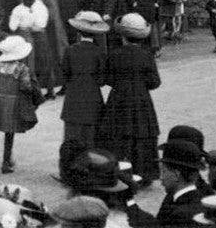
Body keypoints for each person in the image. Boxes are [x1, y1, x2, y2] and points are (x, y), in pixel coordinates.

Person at [99, 12, 162, 185]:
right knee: (142, 133)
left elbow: (107, 79)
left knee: (118, 133)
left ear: (122, 36)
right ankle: (144, 172)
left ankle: (118, 171)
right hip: (141, 99)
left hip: (119, 99)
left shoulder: (115, 54)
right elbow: (155, 82)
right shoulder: (146, 55)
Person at [0, 34, 40, 174]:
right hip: (14, 102)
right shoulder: (22, 69)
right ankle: (6, 161)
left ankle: (8, 159)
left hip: (1, 101)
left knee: (8, 133)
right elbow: (26, 87)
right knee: (10, 133)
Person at [60, 11, 108, 146]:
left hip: (73, 99)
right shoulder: (99, 52)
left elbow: (65, 74)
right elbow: (102, 80)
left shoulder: (70, 50)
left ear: (78, 32)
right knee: (91, 139)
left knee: (71, 138)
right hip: (93, 99)